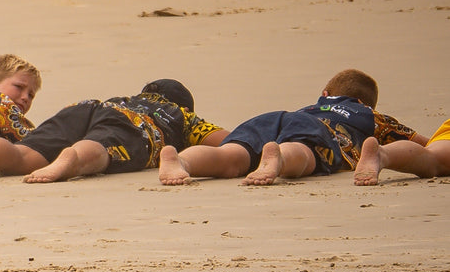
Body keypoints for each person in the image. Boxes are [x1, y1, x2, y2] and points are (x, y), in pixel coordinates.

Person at [0, 79, 224, 183]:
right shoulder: (179, 115)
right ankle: (72, 160)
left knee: (24, 155)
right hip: (131, 126)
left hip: (88, 106)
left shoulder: (126, 98)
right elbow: (228, 142)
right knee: (100, 148)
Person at [158, 68, 425, 186]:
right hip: (318, 131)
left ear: (325, 93)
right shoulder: (371, 116)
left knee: (232, 155)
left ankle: (182, 162)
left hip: (277, 117)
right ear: (369, 104)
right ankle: (280, 158)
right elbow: (426, 144)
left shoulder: (313, 106)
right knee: (304, 151)